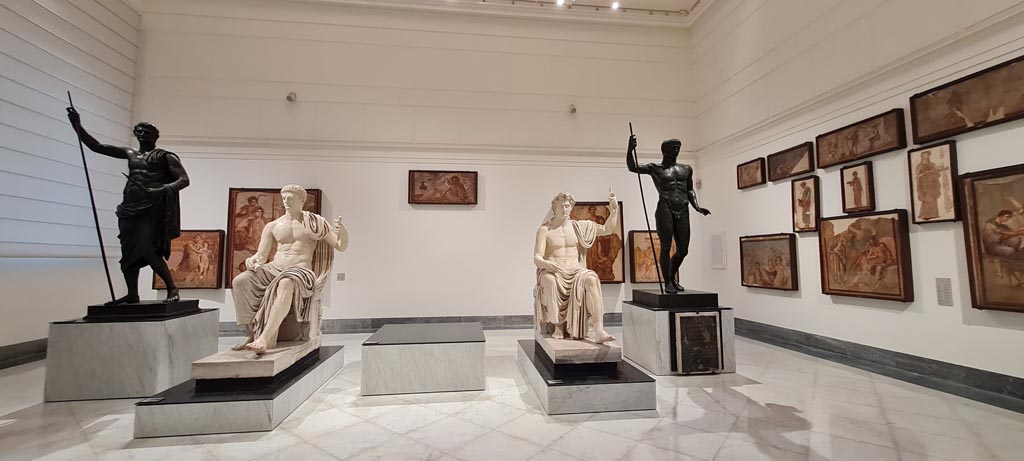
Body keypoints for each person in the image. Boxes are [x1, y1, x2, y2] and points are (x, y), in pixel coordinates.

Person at [67, 107, 189, 304]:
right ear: (135, 134)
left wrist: (161, 190)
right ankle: (132, 293)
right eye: (139, 131)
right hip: (130, 208)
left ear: (156, 136)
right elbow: (97, 147)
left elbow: (183, 180)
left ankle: (172, 288)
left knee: (149, 249)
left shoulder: (164, 156)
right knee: (128, 253)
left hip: (152, 207)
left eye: (147, 132)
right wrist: (77, 125)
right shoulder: (130, 154)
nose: (142, 134)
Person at [231, 185, 349, 354]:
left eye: (291, 198)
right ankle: (251, 333)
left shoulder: (315, 223)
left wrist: (343, 233)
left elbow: (339, 245)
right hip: (274, 268)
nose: (286, 201)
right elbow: (261, 256)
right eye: (284, 198)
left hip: (300, 270)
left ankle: (264, 338)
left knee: (286, 283)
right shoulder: (273, 226)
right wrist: (252, 261)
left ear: (302, 200)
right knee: (240, 281)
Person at [627, 136, 711, 293]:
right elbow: (633, 168)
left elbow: (690, 190)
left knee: (683, 250)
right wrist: (630, 149)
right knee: (665, 247)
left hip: (683, 209)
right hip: (665, 208)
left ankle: (672, 277)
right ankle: (667, 283)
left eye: (679, 147)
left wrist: (697, 207)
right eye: (674, 147)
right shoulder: (655, 168)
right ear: (664, 150)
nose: (677, 150)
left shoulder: (686, 169)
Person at [534, 191, 617, 343]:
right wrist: (547, 264)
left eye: (567, 206)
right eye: (561, 206)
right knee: (550, 281)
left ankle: (599, 330)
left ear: (571, 208)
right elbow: (537, 258)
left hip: (576, 270)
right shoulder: (545, 230)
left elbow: (607, 230)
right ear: (554, 207)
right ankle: (558, 325)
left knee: (592, 279)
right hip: (553, 270)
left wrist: (614, 211)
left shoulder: (579, 227)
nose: (564, 209)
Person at [914, 151, 947, 220]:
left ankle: (934, 214)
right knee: (926, 199)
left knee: (932, 199)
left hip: (932, 185)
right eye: (924, 155)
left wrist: (934, 173)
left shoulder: (932, 164)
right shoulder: (919, 166)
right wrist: (924, 174)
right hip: (924, 186)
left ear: (929, 156)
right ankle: (925, 215)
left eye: (927, 155)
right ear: (922, 157)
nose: (925, 157)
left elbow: (937, 173)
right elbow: (917, 176)